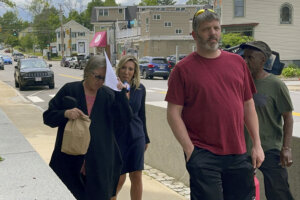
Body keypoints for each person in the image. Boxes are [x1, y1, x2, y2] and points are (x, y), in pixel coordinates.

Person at [165, 8, 265, 200]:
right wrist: (189, 150)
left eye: (216, 28)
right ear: (194, 35)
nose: (213, 33)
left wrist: (257, 145)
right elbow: (173, 114)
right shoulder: (182, 70)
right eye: (206, 29)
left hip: (238, 153)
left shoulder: (237, 63)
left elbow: (248, 105)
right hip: (203, 155)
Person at [43, 55, 132, 200]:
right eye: (97, 77)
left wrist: (121, 94)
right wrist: (65, 113)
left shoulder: (108, 95)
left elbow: (125, 120)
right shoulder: (69, 90)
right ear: (87, 72)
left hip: (99, 165)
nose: (100, 82)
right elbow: (48, 117)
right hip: (70, 162)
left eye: (104, 78)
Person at [241, 41, 294, 200]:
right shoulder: (241, 82)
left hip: (270, 149)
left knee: (278, 193)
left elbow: (288, 118)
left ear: (263, 60)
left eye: (250, 57)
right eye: (244, 57)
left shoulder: (276, 85)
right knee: (242, 193)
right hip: (244, 150)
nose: (245, 61)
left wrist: (286, 148)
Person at [112, 55, 150, 200]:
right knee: (119, 177)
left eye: (130, 69)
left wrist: (146, 137)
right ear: (118, 68)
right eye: (123, 67)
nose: (126, 72)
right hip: (118, 136)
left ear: (135, 72)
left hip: (136, 136)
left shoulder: (140, 89)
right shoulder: (110, 88)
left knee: (136, 175)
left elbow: (142, 114)